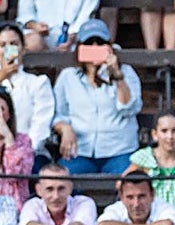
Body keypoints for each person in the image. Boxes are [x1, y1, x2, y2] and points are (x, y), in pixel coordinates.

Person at [52, 19, 144, 176]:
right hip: (80, 151)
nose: (94, 47)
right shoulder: (68, 76)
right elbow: (58, 113)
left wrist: (117, 75)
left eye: (99, 42)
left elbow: (128, 108)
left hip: (119, 150)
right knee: (61, 178)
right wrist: (64, 128)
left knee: (130, 180)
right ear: (80, 47)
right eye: (89, 43)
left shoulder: (126, 72)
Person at [0, 23, 56, 166]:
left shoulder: (38, 83)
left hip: (29, 152)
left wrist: (22, 152)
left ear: (23, 49)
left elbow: (41, 124)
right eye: (3, 45)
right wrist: (0, 78)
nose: (8, 49)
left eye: (14, 44)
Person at [16, 0, 100, 52]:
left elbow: (86, 15)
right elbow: (25, 15)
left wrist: (72, 37)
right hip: (41, 35)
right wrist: (35, 25)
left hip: (75, 36)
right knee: (32, 43)